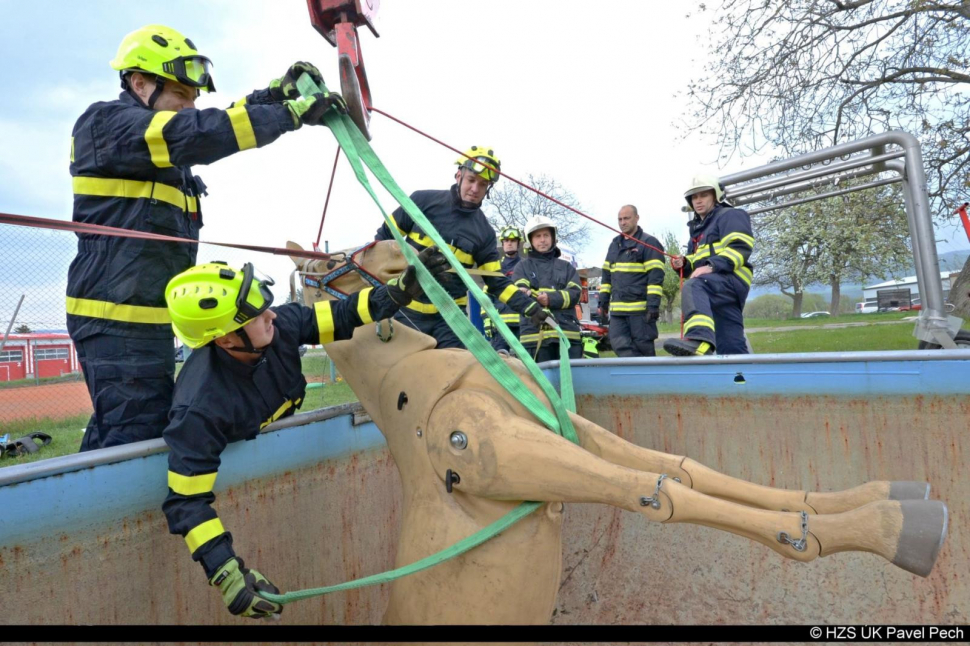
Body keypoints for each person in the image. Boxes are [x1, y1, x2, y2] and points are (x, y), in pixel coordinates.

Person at [68, 24, 346, 451]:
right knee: (134, 436)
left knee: (128, 429)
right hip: (117, 320)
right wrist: (289, 114)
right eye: (181, 94)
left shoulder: (152, 146)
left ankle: (76, 494)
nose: (189, 106)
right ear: (139, 84)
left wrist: (275, 95)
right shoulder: (107, 126)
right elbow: (198, 132)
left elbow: (211, 124)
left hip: (141, 319)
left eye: (194, 98)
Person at [161, 248, 449, 619]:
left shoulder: (280, 324)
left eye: (265, 306)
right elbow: (185, 502)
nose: (271, 315)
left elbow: (343, 315)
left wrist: (396, 292)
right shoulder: (199, 409)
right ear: (225, 340)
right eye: (256, 315)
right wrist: (227, 574)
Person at [374, 146, 546, 348]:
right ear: (458, 176)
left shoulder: (485, 233)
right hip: (405, 310)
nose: (475, 189)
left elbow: (497, 282)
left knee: (459, 366)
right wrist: (381, 290)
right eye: (471, 180)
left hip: (451, 320)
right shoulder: (421, 201)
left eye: (482, 184)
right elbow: (382, 240)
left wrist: (530, 308)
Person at [665, 175, 754, 356]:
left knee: (694, 285)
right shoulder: (697, 230)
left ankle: (698, 340)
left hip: (730, 279)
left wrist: (712, 266)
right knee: (730, 344)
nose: (698, 201)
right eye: (694, 197)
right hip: (717, 287)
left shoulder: (730, 215)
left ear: (715, 196)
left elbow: (740, 247)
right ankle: (742, 372)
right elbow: (695, 265)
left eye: (704, 195)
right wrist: (683, 263)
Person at [512, 216, 583, 362]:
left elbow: (575, 293)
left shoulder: (566, 267)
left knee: (571, 376)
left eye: (546, 235)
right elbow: (520, 292)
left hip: (566, 335)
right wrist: (526, 293)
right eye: (538, 236)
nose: (542, 240)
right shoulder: (522, 267)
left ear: (553, 238)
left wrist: (550, 299)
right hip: (534, 337)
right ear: (530, 240)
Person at [598, 205, 665, 357]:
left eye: (626, 218)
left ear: (637, 218)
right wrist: (603, 302)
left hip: (640, 311)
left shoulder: (649, 242)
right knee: (618, 344)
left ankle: (648, 372)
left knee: (644, 348)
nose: (623, 222)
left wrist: (653, 306)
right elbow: (606, 276)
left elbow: (655, 277)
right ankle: (634, 372)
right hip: (618, 312)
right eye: (620, 219)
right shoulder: (614, 245)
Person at [482, 226, 525, 352]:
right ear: (502, 243)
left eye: (513, 240)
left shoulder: (525, 266)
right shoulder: (496, 267)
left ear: (518, 243)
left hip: (523, 324)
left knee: (526, 361)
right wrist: (487, 319)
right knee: (500, 361)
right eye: (506, 240)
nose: (509, 243)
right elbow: (486, 296)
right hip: (500, 326)